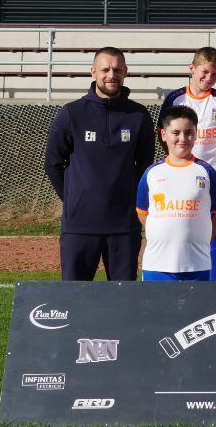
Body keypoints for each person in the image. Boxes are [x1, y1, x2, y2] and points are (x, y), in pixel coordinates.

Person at [44, 47, 154, 281]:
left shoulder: (139, 115)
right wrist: (74, 197)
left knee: (122, 298)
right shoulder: (72, 113)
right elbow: (53, 163)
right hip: (80, 225)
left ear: (125, 72)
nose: (111, 75)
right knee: (74, 297)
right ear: (93, 72)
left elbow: (146, 166)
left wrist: (129, 199)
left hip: (124, 226)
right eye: (105, 69)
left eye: (117, 70)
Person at [156, 47, 216, 281]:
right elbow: (163, 134)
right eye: (205, 72)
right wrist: (177, 162)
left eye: (215, 74)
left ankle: (212, 282)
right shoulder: (175, 98)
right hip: (179, 174)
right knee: (180, 224)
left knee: (212, 230)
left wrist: (210, 167)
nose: (209, 78)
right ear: (192, 68)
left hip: (211, 176)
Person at [136, 106, 216, 281]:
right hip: (156, 265)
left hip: (196, 265)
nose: (182, 139)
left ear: (196, 134)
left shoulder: (207, 172)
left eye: (188, 133)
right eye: (176, 132)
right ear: (164, 134)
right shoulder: (152, 173)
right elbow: (142, 212)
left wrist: (204, 237)